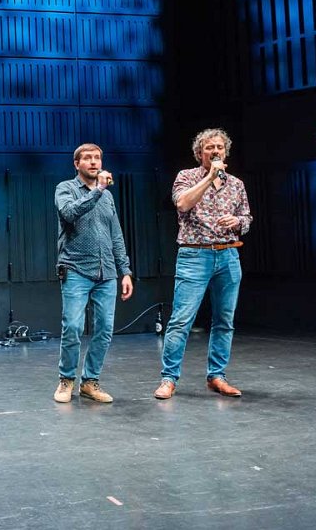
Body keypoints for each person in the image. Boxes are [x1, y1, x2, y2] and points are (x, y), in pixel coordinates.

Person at [154, 129, 252, 400]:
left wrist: (238, 221)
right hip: (194, 256)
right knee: (181, 320)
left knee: (224, 320)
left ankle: (217, 376)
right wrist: (210, 177)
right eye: (209, 147)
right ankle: (168, 378)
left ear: (226, 151)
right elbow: (182, 204)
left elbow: (246, 217)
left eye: (219, 147)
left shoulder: (236, 184)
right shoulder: (186, 177)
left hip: (228, 255)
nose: (215, 151)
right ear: (200, 153)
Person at [53, 144, 134, 403]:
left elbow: (116, 235)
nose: (93, 162)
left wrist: (125, 271)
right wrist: (98, 190)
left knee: (105, 329)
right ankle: (66, 380)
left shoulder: (107, 197)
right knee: (73, 326)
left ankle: (90, 381)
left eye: (97, 158)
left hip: (106, 272)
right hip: (76, 268)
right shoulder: (65, 188)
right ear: (76, 164)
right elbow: (69, 213)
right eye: (87, 158)